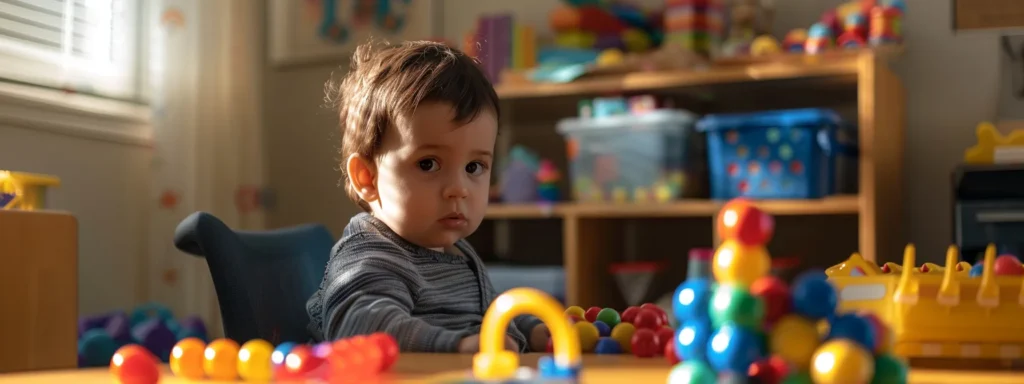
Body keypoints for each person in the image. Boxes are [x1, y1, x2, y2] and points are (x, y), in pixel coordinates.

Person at [305, 40, 549, 354]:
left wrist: (533, 331)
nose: (458, 188)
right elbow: (362, 329)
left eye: (474, 166)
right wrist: (457, 346)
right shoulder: (372, 255)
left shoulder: (457, 253)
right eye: (428, 164)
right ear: (367, 177)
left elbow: (483, 318)